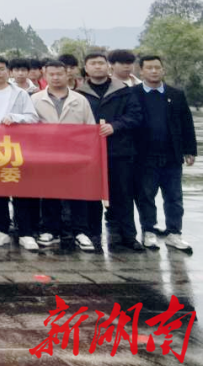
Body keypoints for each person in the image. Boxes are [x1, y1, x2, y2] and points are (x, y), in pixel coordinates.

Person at [76, 52, 145, 251]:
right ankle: (93, 235)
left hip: (119, 151)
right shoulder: (79, 94)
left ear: (108, 66)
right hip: (89, 153)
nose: (98, 66)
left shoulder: (123, 91)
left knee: (122, 195)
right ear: (86, 68)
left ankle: (128, 236)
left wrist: (115, 126)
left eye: (101, 63)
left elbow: (135, 115)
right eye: (93, 64)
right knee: (90, 195)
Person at [31, 60, 98, 251]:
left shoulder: (80, 99)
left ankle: (80, 231)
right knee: (49, 193)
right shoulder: (35, 99)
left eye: (59, 74)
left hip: (75, 155)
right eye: (51, 74)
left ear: (67, 74)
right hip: (47, 155)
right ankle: (50, 230)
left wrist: (88, 153)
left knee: (77, 193)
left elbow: (89, 127)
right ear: (45, 75)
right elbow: (29, 126)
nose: (55, 77)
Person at [0, 56, 39, 248]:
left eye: (1, 69)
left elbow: (33, 117)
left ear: (8, 72)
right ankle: (1, 229)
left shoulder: (20, 94)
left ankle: (25, 231)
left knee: (20, 189)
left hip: (15, 147)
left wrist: (16, 117)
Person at [135, 55, 195, 253]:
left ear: (163, 70)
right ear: (141, 71)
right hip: (145, 156)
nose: (154, 71)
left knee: (174, 196)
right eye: (149, 68)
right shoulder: (133, 94)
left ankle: (174, 233)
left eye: (157, 67)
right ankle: (148, 230)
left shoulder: (176, 94)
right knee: (146, 195)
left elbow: (186, 123)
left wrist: (189, 150)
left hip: (172, 155)